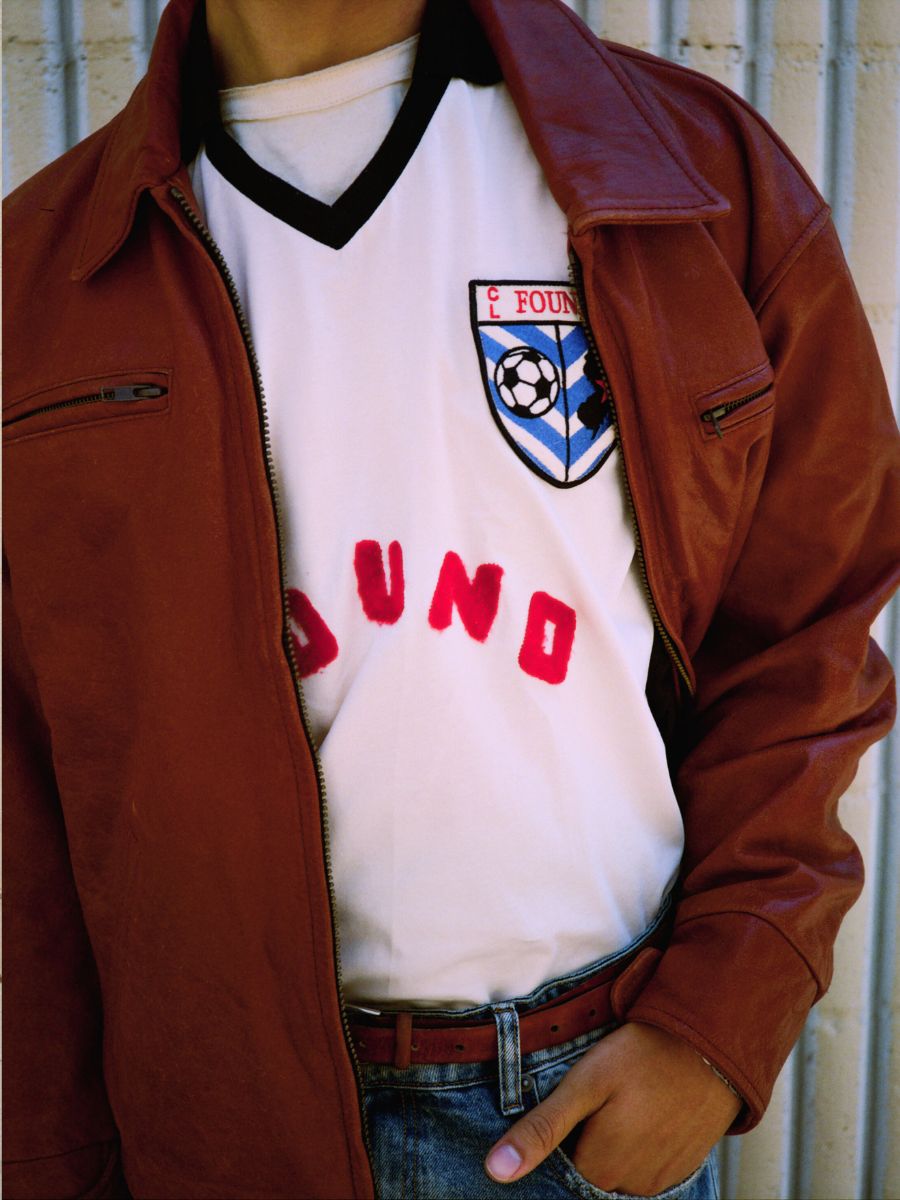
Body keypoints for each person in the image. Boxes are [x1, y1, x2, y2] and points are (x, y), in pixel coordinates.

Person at [4, 0, 898, 1197]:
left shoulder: (688, 176)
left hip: (584, 1103)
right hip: (218, 1125)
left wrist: (714, 1023)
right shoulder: (41, 275)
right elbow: (22, 799)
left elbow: (806, 636)